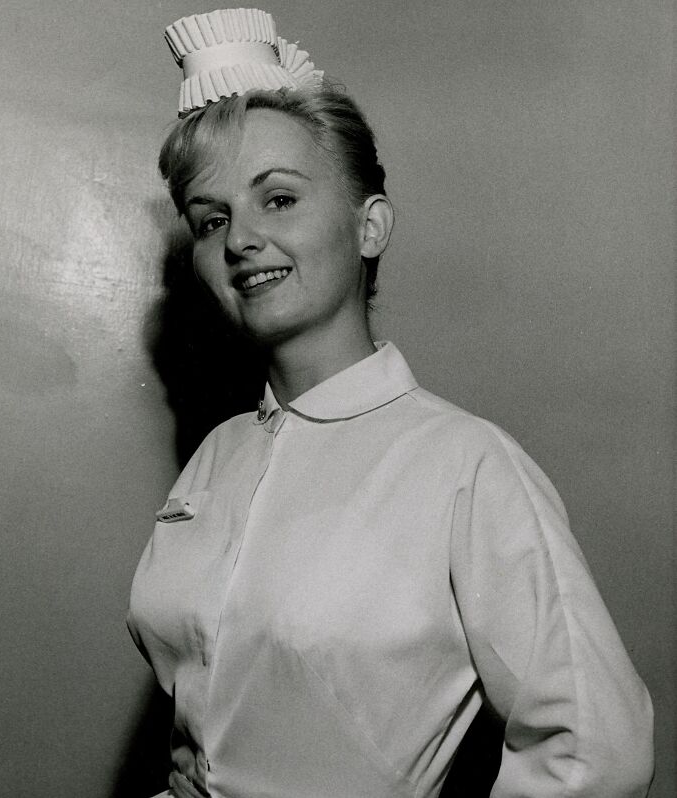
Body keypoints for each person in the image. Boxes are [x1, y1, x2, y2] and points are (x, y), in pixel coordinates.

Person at [127, 9, 654, 798]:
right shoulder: (217, 455)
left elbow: (594, 756)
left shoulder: (466, 466)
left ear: (369, 226)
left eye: (279, 199)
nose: (240, 241)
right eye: (213, 219)